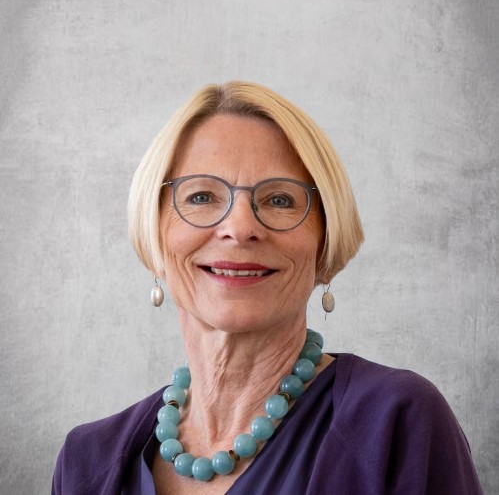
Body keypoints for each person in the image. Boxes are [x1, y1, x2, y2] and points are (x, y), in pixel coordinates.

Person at [52, 81, 483, 494]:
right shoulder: (87, 461)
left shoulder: (396, 424)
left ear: (325, 241)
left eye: (279, 200)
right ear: (155, 233)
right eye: (201, 197)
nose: (240, 227)